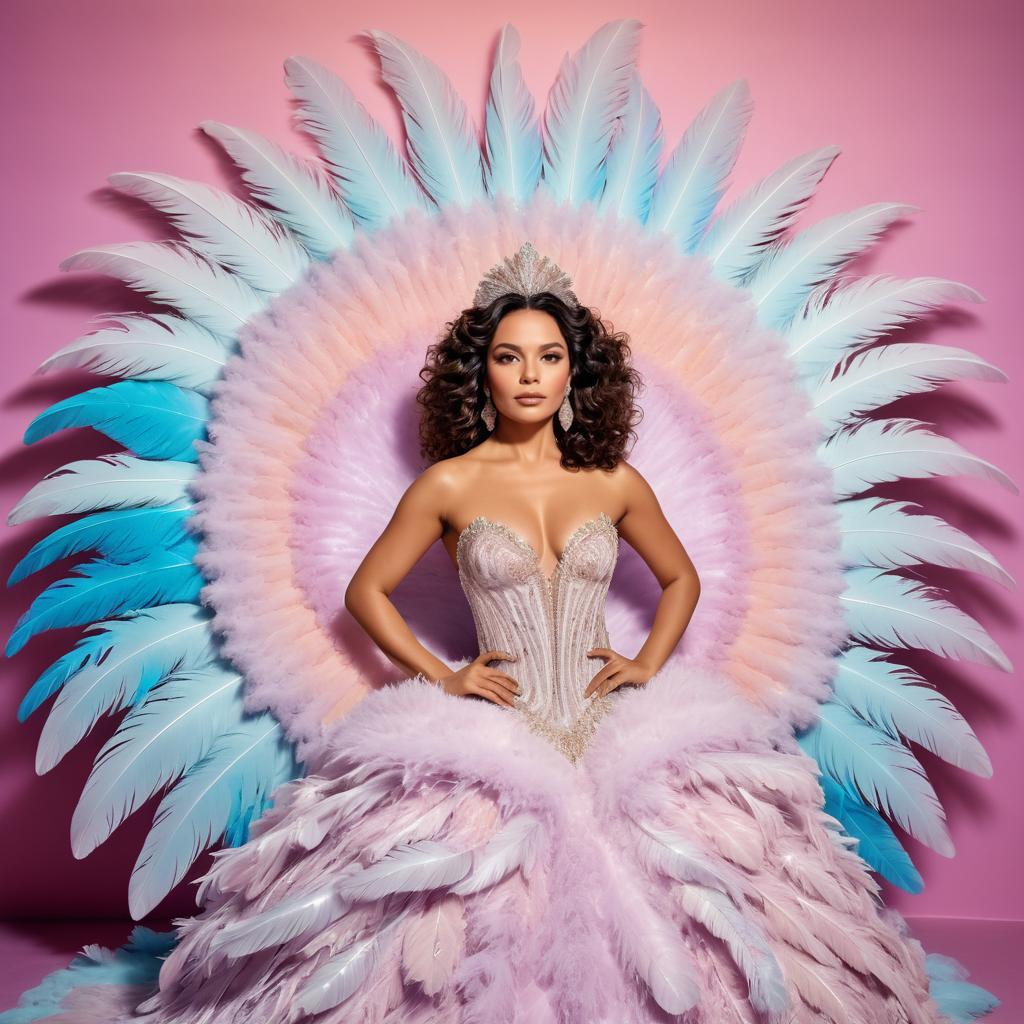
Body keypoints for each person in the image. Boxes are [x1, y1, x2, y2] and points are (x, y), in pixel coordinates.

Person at [4, 243, 969, 1023]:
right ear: (482, 371)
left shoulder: (613, 484)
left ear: (577, 373)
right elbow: (367, 594)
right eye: (510, 356)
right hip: (497, 722)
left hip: (616, 720)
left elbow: (681, 579)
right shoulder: (451, 484)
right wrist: (443, 677)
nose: (530, 375)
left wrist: (641, 662)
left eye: (550, 357)